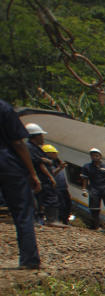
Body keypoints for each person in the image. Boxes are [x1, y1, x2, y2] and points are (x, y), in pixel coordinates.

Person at [0, 99, 41, 269]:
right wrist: (32, 173)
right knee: (22, 212)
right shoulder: (4, 107)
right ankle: (29, 260)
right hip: (8, 164)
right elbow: (18, 143)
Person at [25, 123, 58, 226]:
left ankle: (41, 220)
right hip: (40, 178)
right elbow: (39, 164)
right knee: (48, 199)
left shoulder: (35, 148)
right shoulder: (30, 147)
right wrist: (51, 177)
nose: (43, 137)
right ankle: (51, 220)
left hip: (39, 178)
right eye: (41, 135)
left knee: (40, 199)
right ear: (36, 136)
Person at [80, 148, 105, 230]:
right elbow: (85, 179)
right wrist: (84, 189)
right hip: (94, 188)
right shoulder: (87, 167)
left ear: (100, 156)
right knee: (94, 209)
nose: (95, 157)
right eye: (93, 155)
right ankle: (97, 226)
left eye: (96, 155)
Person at [42, 144, 71, 224]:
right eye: (54, 153)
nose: (56, 154)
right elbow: (50, 174)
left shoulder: (57, 162)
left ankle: (65, 221)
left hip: (63, 187)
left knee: (67, 205)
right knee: (59, 205)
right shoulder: (46, 163)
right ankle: (57, 220)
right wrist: (60, 168)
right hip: (55, 187)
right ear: (48, 153)